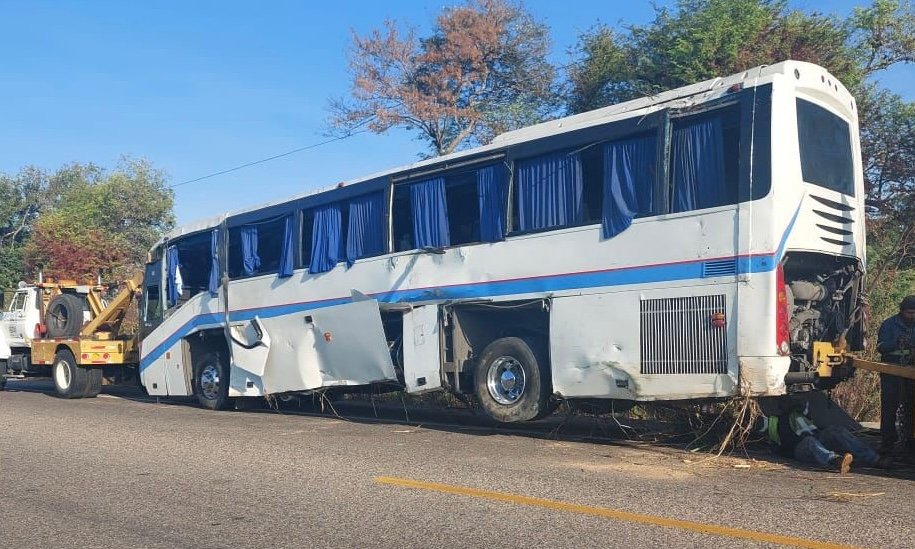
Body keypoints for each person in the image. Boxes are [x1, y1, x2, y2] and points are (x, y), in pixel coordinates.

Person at [755, 403, 887, 473]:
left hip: (816, 438)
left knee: (836, 430)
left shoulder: (800, 411)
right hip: (797, 449)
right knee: (809, 441)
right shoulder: (771, 420)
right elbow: (760, 429)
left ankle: (874, 459)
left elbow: (814, 423)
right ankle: (835, 460)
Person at [875, 295, 915, 455]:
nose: (912, 316)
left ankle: (909, 444)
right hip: (891, 372)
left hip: (911, 373)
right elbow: (880, 346)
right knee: (890, 407)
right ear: (901, 311)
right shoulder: (889, 324)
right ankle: (887, 444)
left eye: (914, 313)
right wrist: (895, 343)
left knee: (911, 408)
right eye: (909, 313)